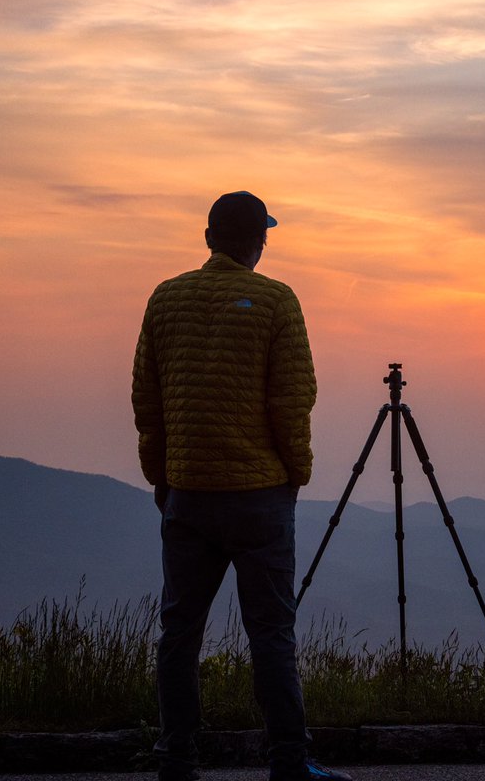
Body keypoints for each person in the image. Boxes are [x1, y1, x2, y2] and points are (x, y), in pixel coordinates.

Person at [132, 191, 352, 781]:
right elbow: (292, 401)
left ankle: (176, 757)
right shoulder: (278, 301)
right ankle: (288, 760)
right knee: (272, 633)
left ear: (208, 239)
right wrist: (296, 473)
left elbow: (146, 401)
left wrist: (162, 476)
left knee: (179, 632)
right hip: (259, 495)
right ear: (259, 243)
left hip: (188, 493)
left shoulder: (164, 298)